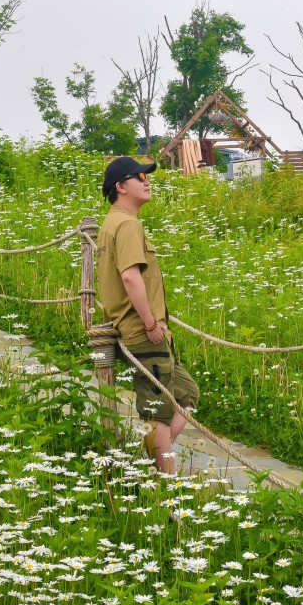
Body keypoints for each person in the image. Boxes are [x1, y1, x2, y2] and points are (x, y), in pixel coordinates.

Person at [96, 156, 199, 475]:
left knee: (187, 393)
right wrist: (151, 323)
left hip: (146, 332)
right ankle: (164, 488)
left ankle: (154, 456)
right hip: (144, 332)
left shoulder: (111, 222)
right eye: (139, 176)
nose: (147, 180)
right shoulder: (126, 224)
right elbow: (129, 277)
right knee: (157, 413)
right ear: (121, 186)